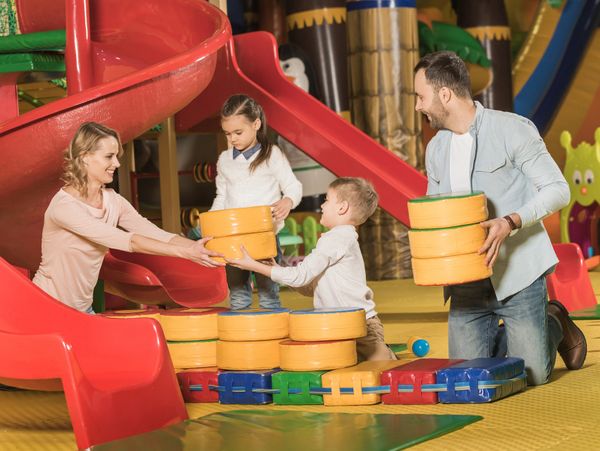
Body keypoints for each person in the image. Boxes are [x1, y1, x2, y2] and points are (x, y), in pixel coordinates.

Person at [414, 50, 587, 384]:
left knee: (529, 376)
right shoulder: (435, 148)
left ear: (445, 94)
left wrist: (510, 222)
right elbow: (435, 209)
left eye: (421, 97)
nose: (419, 106)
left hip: (518, 277)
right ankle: (516, 340)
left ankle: (553, 321)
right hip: (466, 286)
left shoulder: (513, 130)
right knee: (468, 379)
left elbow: (558, 189)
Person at [32, 122, 223, 314]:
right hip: (47, 307)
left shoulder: (113, 201)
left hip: (83, 309)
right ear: (85, 158)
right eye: (109, 156)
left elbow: (155, 233)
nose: (117, 163)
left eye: (116, 156)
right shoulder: (64, 207)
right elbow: (128, 241)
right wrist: (185, 254)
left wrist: (194, 247)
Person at [228, 177, 396, 361]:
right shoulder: (340, 237)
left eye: (326, 200)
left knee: (384, 372)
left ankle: (389, 356)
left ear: (342, 208)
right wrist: (279, 269)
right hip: (334, 325)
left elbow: (300, 276)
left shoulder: (336, 239)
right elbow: (310, 286)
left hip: (360, 326)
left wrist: (253, 265)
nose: (322, 206)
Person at [210, 94, 302, 310]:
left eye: (238, 132)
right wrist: (211, 224)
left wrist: (287, 201)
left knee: (269, 294)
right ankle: (242, 339)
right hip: (233, 238)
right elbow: (221, 196)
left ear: (256, 124)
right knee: (238, 295)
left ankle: (273, 336)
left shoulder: (272, 155)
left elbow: (293, 186)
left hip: (264, 236)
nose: (232, 139)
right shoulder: (225, 160)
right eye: (227, 133)